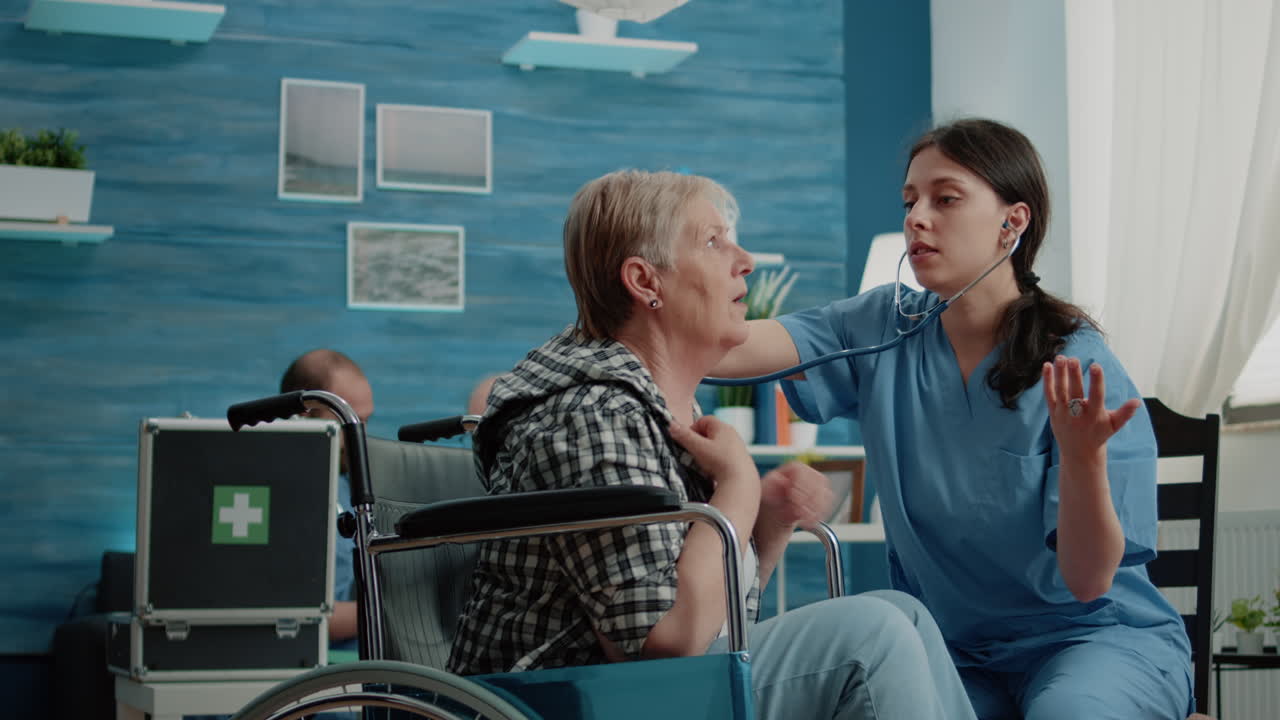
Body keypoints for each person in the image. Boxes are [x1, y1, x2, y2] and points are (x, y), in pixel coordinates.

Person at [447, 170, 977, 719]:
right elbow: (667, 644)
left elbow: (715, 625)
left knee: (902, 613)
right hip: (555, 699)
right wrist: (738, 484)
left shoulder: (653, 407)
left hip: (631, 692)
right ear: (645, 282)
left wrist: (765, 525)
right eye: (713, 241)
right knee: (874, 634)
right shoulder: (592, 416)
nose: (744, 260)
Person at [712, 119, 1193, 719]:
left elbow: (1091, 582)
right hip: (953, 651)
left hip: (1093, 642)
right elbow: (721, 347)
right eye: (911, 200)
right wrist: (652, 303)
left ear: (1011, 223)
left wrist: (1083, 460)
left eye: (946, 199)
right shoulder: (880, 327)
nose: (917, 217)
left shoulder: (1077, 363)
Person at [280, 348, 375, 653]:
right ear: (304, 415)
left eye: (365, 421)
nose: (361, 436)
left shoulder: (349, 488)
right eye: (349, 422)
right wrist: (407, 612)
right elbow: (302, 617)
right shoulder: (285, 495)